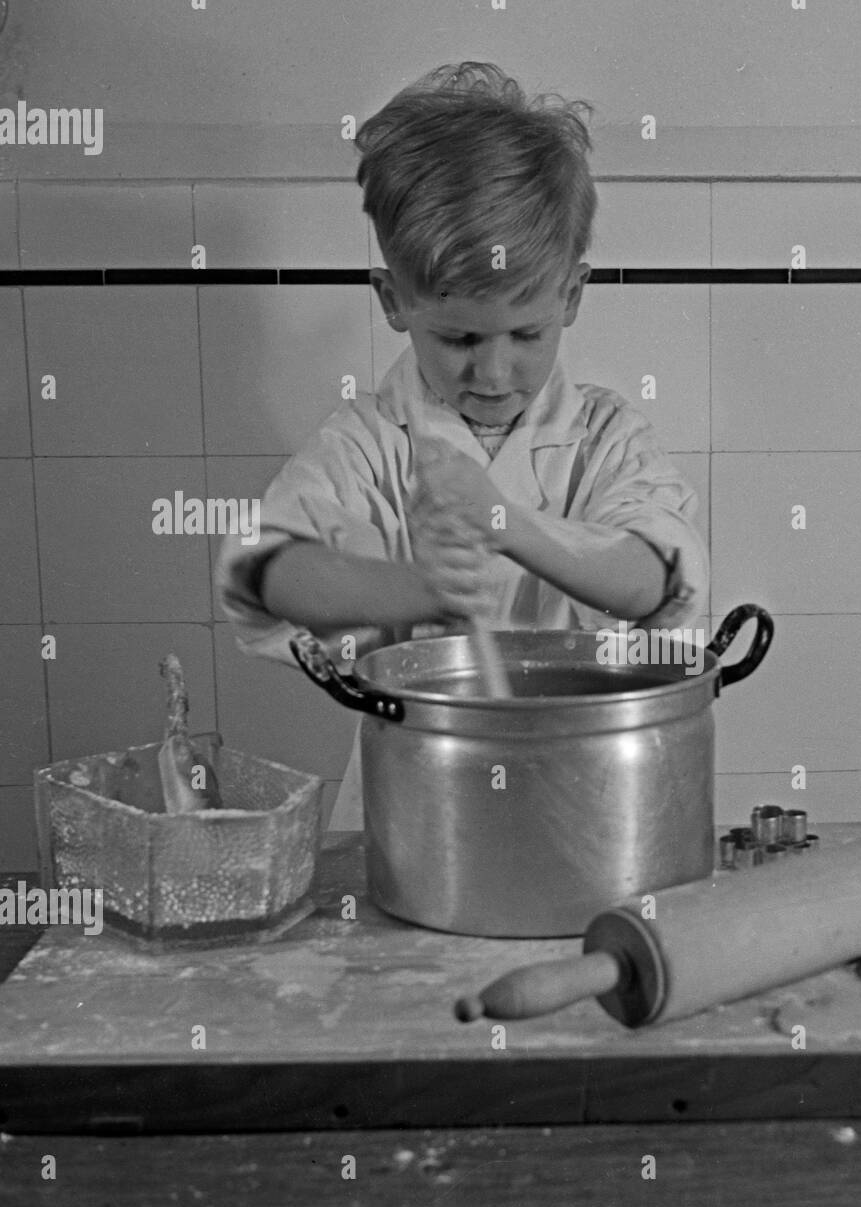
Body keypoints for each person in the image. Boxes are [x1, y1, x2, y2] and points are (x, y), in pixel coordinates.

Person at [216, 61, 709, 830]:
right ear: (393, 303)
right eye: (458, 337)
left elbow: (658, 580)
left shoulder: (607, 439)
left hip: (584, 806)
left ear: (572, 297)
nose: (494, 371)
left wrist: (505, 523)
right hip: (414, 808)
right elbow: (261, 574)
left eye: (526, 333)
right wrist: (415, 590)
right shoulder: (367, 447)